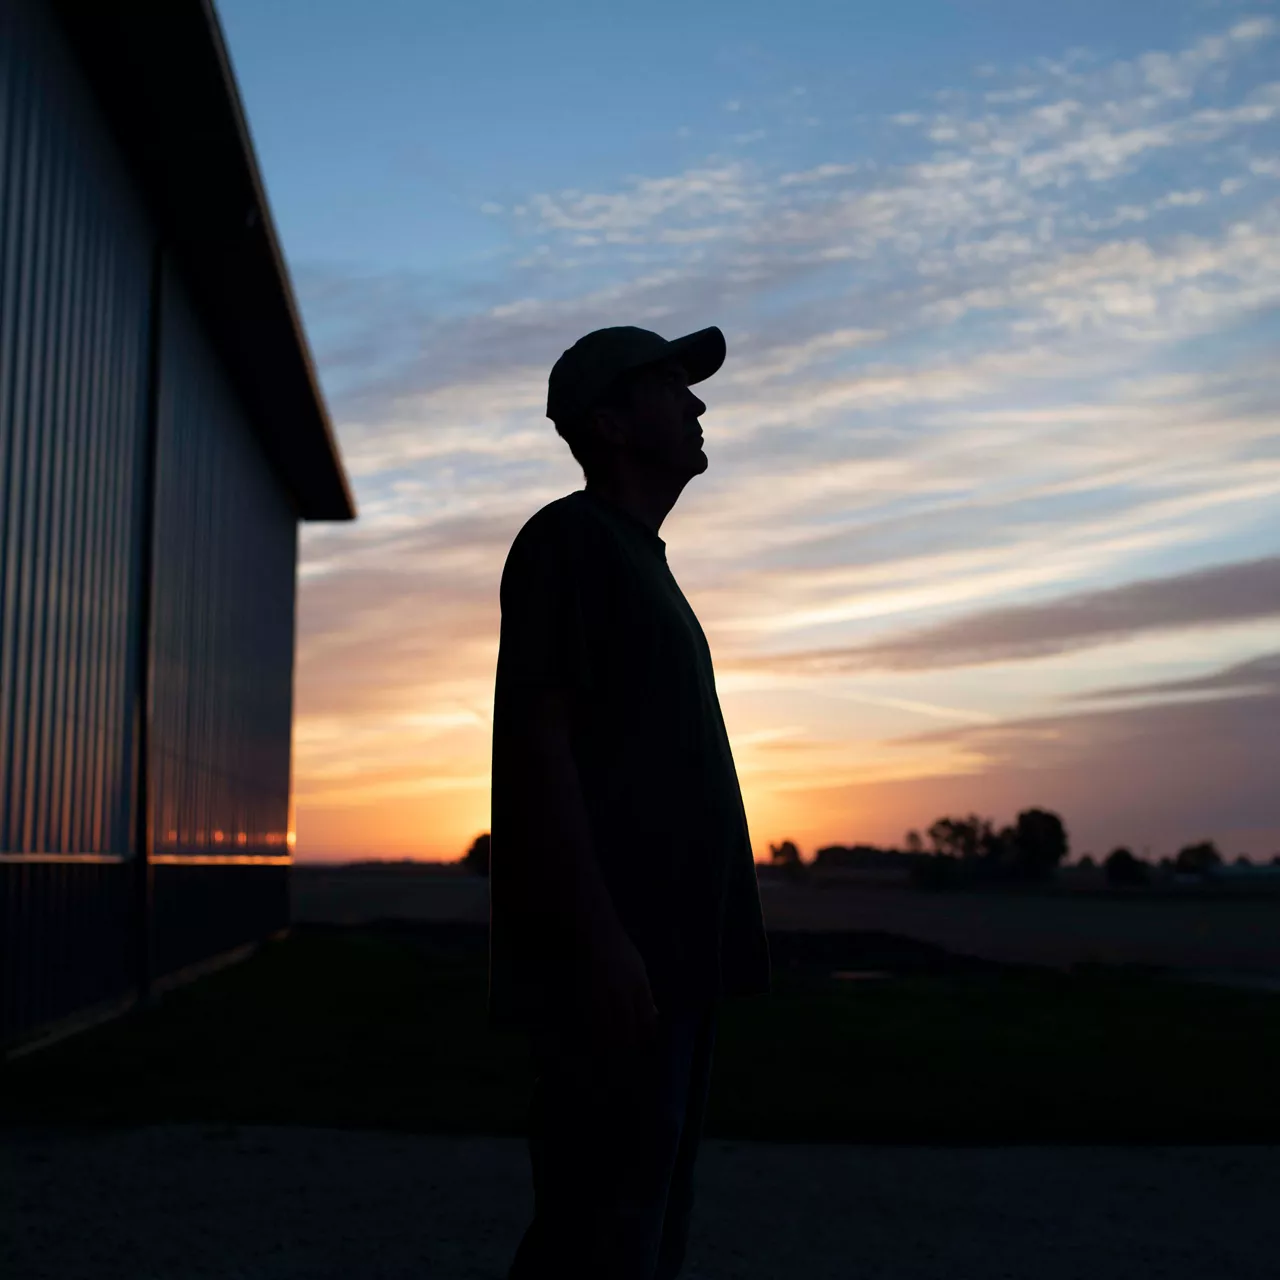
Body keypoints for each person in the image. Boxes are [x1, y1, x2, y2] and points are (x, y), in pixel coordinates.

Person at [488, 324, 772, 1280]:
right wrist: (600, 941)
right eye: (668, 387)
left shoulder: (641, 562)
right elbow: (540, 750)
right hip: (619, 969)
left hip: (669, 964)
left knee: (642, 1223)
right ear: (608, 423)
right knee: (597, 1232)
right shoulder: (568, 541)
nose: (697, 406)